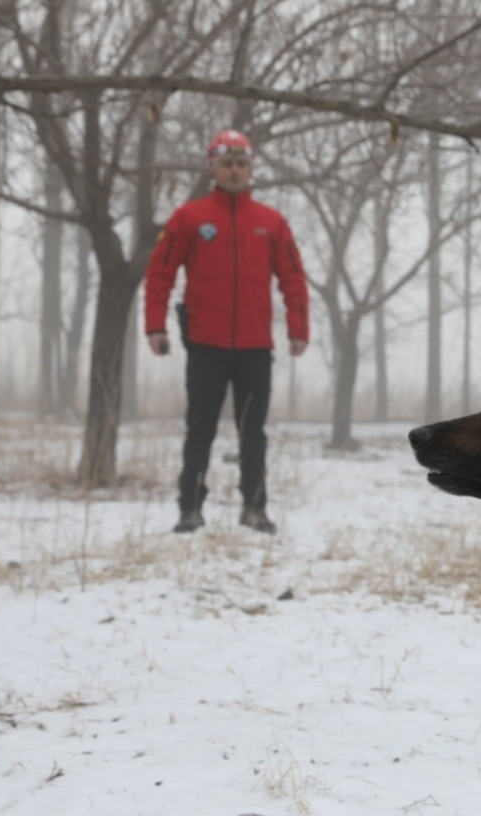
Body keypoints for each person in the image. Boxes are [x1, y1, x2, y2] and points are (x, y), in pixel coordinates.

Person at [143, 129, 309, 535]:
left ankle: (255, 509)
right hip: (205, 346)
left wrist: (297, 328)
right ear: (212, 167)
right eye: (226, 163)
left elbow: (292, 278)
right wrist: (155, 326)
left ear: (250, 168)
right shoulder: (190, 218)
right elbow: (160, 273)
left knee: (253, 432)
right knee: (199, 429)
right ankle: (189, 508)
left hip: (255, 348)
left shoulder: (270, 222)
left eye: (241, 164)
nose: (234, 171)